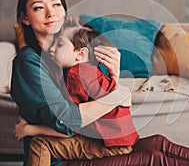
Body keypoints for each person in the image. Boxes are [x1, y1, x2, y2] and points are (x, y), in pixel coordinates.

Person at [11, 0, 189, 166]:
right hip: (61, 156)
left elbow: (99, 101)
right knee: (152, 159)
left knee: (158, 142)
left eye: (56, 4)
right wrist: (118, 95)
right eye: (38, 8)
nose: (51, 12)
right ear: (24, 18)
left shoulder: (66, 55)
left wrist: (115, 76)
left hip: (88, 142)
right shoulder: (29, 62)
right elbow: (67, 121)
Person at [14, 23, 139, 165]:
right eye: (53, 43)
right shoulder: (90, 71)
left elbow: (70, 126)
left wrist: (30, 130)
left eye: (60, 44)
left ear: (80, 54)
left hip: (108, 145)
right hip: (122, 140)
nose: (52, 49)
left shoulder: (75, 76)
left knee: (40, 143)